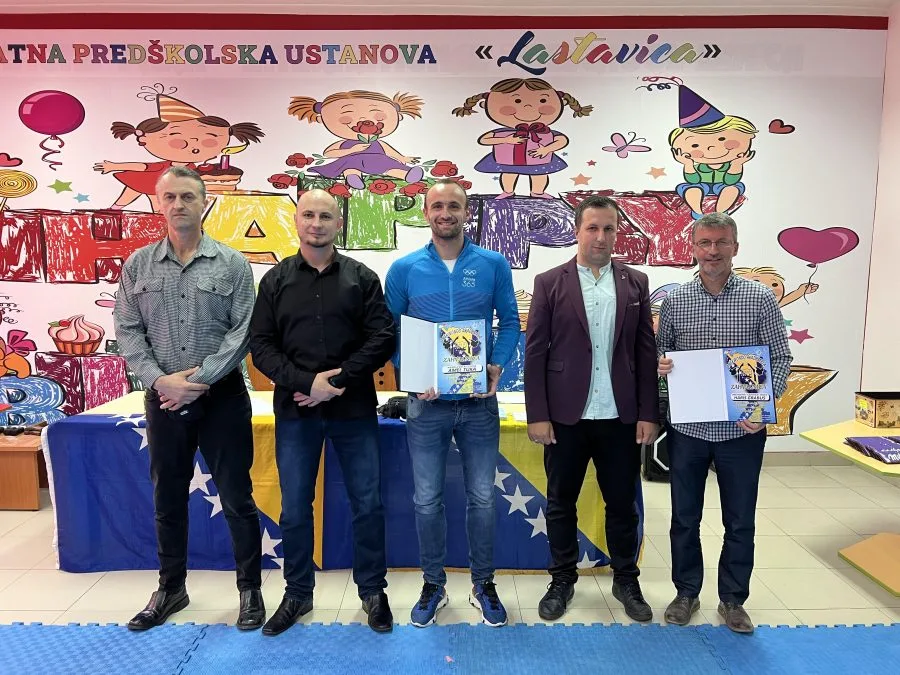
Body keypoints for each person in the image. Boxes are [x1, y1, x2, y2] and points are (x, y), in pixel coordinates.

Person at [113, 166, 263, 631]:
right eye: (170, 197)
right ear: (159, 203)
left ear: (204, 203)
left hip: (222, 399)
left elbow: (243, 332)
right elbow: (128, 331)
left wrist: (196, 382)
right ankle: (171, 588)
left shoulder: (233, 264)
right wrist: (161, 382)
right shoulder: (137, 266)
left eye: (188, 197)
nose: (178, 204)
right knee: (168, 497)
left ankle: (250, 590)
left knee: (237, 496)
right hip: (164, 400)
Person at [249, 189, 396, 635]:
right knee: (295, 507)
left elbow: (383, 336)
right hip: (296, 411)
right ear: (297, 221)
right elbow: (261, 346)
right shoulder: (275, 281)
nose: (317, 223)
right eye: (309, 215)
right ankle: (297, 593)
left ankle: (373, 592)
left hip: (353, 408)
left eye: (326, 216)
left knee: (367, 503)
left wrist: (336, 382)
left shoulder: (362, 278)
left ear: (339, 224)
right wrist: (304, 383)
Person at [384, 179, 519, 627]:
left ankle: (483, 584)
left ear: (467, 212)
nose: (446, 213)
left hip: (478, 403)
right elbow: (389, 331)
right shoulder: (404, 269)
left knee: (482, 498)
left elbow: (510, 323)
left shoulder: (493, 263)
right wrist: (412, 374)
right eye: (438, 205)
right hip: (426, 406)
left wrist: (496, 366)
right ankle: (433, 585)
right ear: (426, 213)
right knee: (427, 500)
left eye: (454, 206)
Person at [524, 195, 659, 622]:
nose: (601, 237)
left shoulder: (635, 282)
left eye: (609, 229)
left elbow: (645, 351)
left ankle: (626, 579)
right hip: (565, 415)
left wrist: (649, 412)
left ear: (617, 233)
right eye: (593, 228)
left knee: (622, 503)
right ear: (577, 231)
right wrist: (537, 414)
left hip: (620, 415)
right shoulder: (550, 282)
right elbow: (535, 352)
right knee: (561, 502)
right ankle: (562, 578)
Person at [656, 212, 792, 634]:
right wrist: (660, 366)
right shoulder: (676, 299)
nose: (712, 251)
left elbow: (780, 357)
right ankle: (686, 592)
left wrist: (761, 407)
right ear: (693, 248)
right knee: (684, 517)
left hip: (741, 431)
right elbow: (659, 352)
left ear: (735, 246)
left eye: (721, 242)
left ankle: (733, 600)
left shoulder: (760, 298)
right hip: (689, 430)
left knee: (740, 519)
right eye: (705, 243)